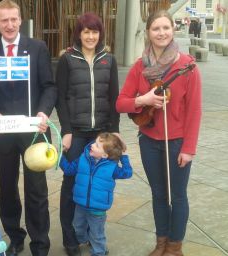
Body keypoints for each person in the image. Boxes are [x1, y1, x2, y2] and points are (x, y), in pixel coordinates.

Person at [116, 10, 202, 256]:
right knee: (158, 194)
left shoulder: (188, 66)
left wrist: (189, 148)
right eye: (156, 29)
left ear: (172, 30)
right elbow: (120, 103)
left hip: (176, 143)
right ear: (148, 33)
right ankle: (161, 243)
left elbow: (194, 111)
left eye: (166, 28)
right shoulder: (139, 67)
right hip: (149, 141)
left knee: (178, 195)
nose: (161, 33)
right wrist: (143, 99)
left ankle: (175, 247)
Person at [0, 1, 57, 255]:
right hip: (6, 132)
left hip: (35, 130)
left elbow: (49, 86)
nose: (9, 25)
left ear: (20, 20)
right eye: (4, 20)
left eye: (14, 19)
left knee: (36, 189)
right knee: (8, 189)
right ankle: (15, 236)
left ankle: (40, 242)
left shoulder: (37, 48)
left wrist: (44, 111)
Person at [55, 12, 120, 256]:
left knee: (99, 184)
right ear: (79, 33)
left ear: (100, 34)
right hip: (77, 132)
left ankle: (93, 236)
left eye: (94, 31)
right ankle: (71, 239)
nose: (90, 36)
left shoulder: (109, 60)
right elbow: (60, 98)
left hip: (101, 133)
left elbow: (113, 97)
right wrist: (67, 131)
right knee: (71, 184)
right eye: (86, 31)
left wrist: (114, 132)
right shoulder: (67, 59)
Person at [60, 133, 132, 256]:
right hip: (80, 205)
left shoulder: (112, 167)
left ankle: (99, 251)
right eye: (95, 142)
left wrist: (124, 156)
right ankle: (86, 239)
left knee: (97, 234)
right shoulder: (83, 158)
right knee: (77, 228)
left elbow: (127, 173)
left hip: (98, 209)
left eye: (97, 145)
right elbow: (68, 169)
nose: (92, 145)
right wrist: (59, 155)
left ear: (105, 155)